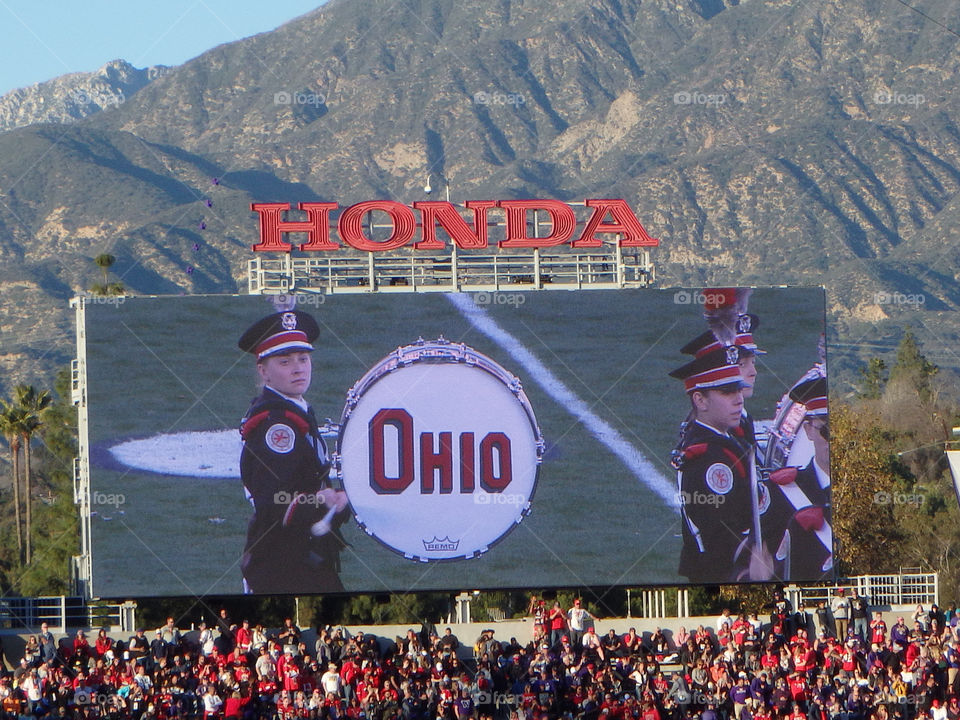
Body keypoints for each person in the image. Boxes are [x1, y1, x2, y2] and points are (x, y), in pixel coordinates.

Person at [237, 305, 349, 593]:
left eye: (303, 358)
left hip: (303, 559)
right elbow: (273, 501)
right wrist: (319, 500)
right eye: (285, 361)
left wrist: (334, 500)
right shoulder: (277, 426)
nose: (298, 368)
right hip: (283, 565)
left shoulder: (294, 410)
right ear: (264, 372)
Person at [670, 345, 763, 582]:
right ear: (700, 400)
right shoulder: (709, 459)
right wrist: (753, 565)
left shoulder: (725, 437)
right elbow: (720, 536)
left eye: (739, 390)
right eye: (727, 392)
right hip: (723, 575)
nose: (739, 400)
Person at [764, 376, 832, 581]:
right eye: (827, 430)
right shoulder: (782, 492)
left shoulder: (873, 489)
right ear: (809, 431)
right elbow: (760, 570)